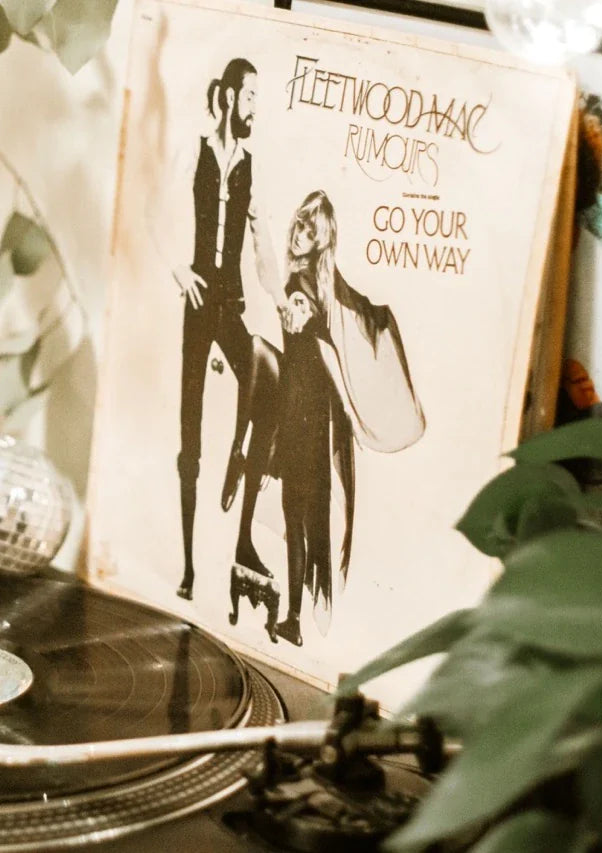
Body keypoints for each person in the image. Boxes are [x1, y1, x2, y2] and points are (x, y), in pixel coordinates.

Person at [270, 191, 425, 646]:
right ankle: (297, 617)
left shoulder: (302, 287)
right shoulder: (320, 281)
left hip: (303, 410)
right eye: (299, 223)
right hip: (309, 410)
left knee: (297, 514)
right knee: (306, 515)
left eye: (309, 230)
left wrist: (355, 413)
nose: (299, 233)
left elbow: (322, 344)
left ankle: (294, 619)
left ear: (321, 241)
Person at [173, 57, 283, 601]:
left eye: (258, 98)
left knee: (269, 380)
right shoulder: (194, 153)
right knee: (188, 426)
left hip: (232, 303)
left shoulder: (249, 166)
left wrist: (278, 285)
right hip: (198, 307)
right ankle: (190, 568)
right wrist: (177, 266)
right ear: (228, 99)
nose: (254, 108)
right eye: (250, 97)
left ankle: (241, 454)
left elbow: (263, 252)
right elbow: (159, 210)